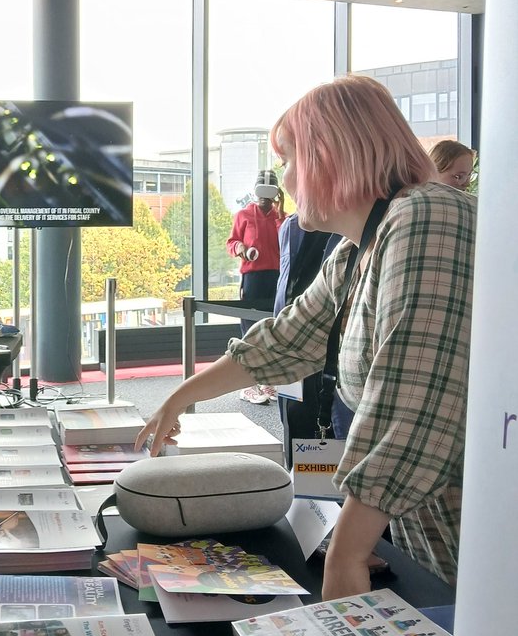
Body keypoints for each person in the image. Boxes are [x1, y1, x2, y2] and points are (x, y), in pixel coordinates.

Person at [139, 75, 475, 599]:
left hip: (480, 527)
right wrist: (182, 397)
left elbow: (415, 403)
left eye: (291, 159)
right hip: (440, 524)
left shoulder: (426, 217)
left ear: (329, 156)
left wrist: (347, 553)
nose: (288, 180)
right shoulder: (359, 246)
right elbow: (284, 341)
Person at [227, 168, 285, 403]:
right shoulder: (244, 215)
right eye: (261, 192)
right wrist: (243, 249)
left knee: (273, 327)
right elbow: (232, 242)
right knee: (250, 329)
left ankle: (268, 381)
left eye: (269, 193)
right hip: (252, 278)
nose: (264, 198)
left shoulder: (282, 218)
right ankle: (250, 384)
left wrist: (281, 208)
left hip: (277, 277)